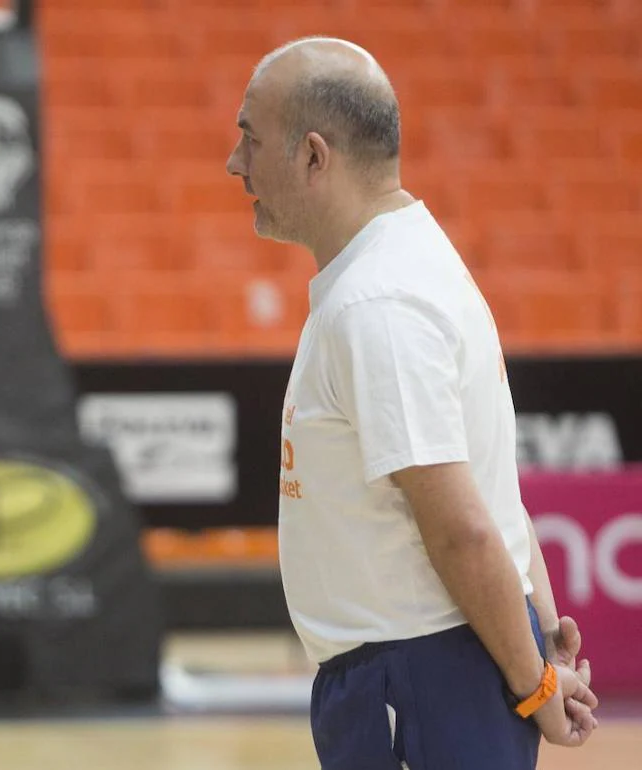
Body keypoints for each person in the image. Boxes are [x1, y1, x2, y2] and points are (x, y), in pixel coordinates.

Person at [224, 38, 599, 769]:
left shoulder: (377, 302)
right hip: (429, 675)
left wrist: (537, 683)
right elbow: (495, 494)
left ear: (313, 156)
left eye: (249, 138)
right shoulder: (411, 260)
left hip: (420, 681)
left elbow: (462, 527)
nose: (235, 164)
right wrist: (544, 633)